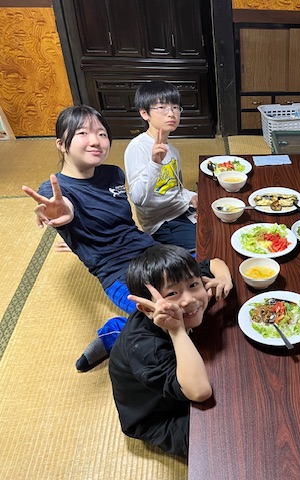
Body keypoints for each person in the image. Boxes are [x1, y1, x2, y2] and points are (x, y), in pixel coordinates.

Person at [21, 105, 232, 372]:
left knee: (217, 286)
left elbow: (120, 224)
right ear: (61, 144)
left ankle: (139, 322)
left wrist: (223, 278)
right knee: (172, 318)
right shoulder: (56, 191)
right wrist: (64, 215)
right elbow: (64, 209)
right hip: (118, 274)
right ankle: (115, 332)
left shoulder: (113, 174)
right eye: (83, 133)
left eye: (102, 133)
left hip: (151, 252)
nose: (95, 141)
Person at [109, 244, 213, 458]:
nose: (189, 299)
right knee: (221, 443)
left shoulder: (187, 294)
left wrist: (223, 280)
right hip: (160, 417)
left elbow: (214, 264)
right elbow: (200, 391)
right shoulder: (146, 348)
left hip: (178, 383)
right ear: (147, 308)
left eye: (193, 285)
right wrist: (177, 330)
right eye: (172, 293)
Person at [125, 81, 197, 249]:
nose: (171, 113)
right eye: (162, 107)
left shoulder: (172, 149)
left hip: (183, 210)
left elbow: (176, 188)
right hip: (163, 223)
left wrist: (191, 196)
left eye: (175, 107)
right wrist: (154, 164)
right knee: (205, 251)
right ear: (144, 113)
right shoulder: (138, 147)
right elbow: (138, 199)